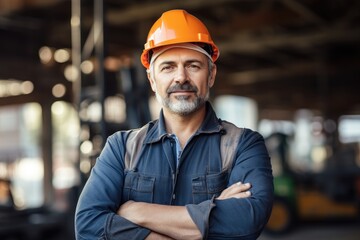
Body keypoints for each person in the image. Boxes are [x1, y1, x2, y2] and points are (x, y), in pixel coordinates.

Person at [75, 9, 273, 240]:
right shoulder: (121, 148)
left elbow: (247, 220)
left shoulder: (244, 145)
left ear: (211, 75)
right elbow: (87, 225)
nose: (181, 77)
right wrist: (213, 212)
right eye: (168, 67)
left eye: (193, 66)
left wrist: (136, 211)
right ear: (152, 79)